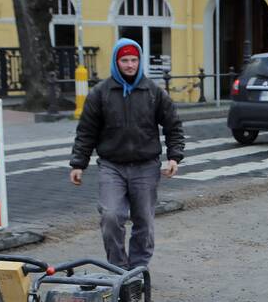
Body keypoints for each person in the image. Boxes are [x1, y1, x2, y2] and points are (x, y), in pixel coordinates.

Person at [70, 38, 185, 270]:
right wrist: (78, 164)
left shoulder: (153, 92)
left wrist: (174, 156)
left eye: (134, 60)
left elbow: (173, 125)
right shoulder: (100, 93)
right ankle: (119, 269)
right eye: (125, 60)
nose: (130, 65)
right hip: (112, 166)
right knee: (111, 216)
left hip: (146, 166)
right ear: (116, 61)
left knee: (144, 221)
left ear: (139, 61)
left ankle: (138, 270)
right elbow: (86, 132)